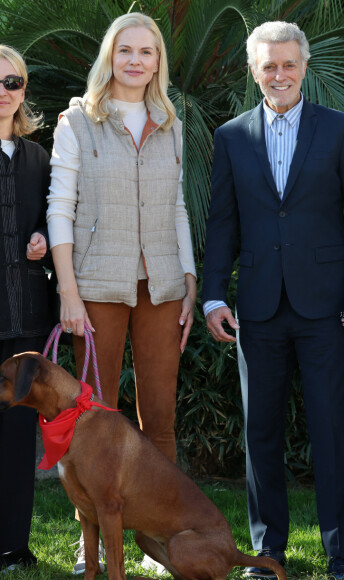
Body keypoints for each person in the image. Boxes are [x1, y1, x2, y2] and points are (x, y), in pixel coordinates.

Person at [203, 21, 344, 580]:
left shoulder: (339, 130)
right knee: (261, 433)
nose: (278, 75)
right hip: (256, 308)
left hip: (329, 307)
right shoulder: (232, 136)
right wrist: (213, 296)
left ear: (304, 66)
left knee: (330, 432)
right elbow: (223, 223)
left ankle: (340, 556)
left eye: (288, 64)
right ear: (254, 71)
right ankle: (268, 552)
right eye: (268, 66)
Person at [46, 12, 196, 576]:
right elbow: (60, 208)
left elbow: (177, 206)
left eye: (147, 51)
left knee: (158, 419)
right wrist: (68, 290)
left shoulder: (170, 123)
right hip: (95, 286)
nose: (136, 60)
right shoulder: (77, 122)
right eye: (125, 50)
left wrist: (188, 278)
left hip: (160, 284)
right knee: (96, 422)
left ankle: (160, 539)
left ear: (158, 61)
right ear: (109, 56)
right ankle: (97, 548)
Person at [0, 45, 52, 573]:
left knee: (18, 442)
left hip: (26, 323)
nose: (3, 92)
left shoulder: (38, 157)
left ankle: (13, 545)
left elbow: (47, 219)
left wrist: (39, 234)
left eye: (12, 82)